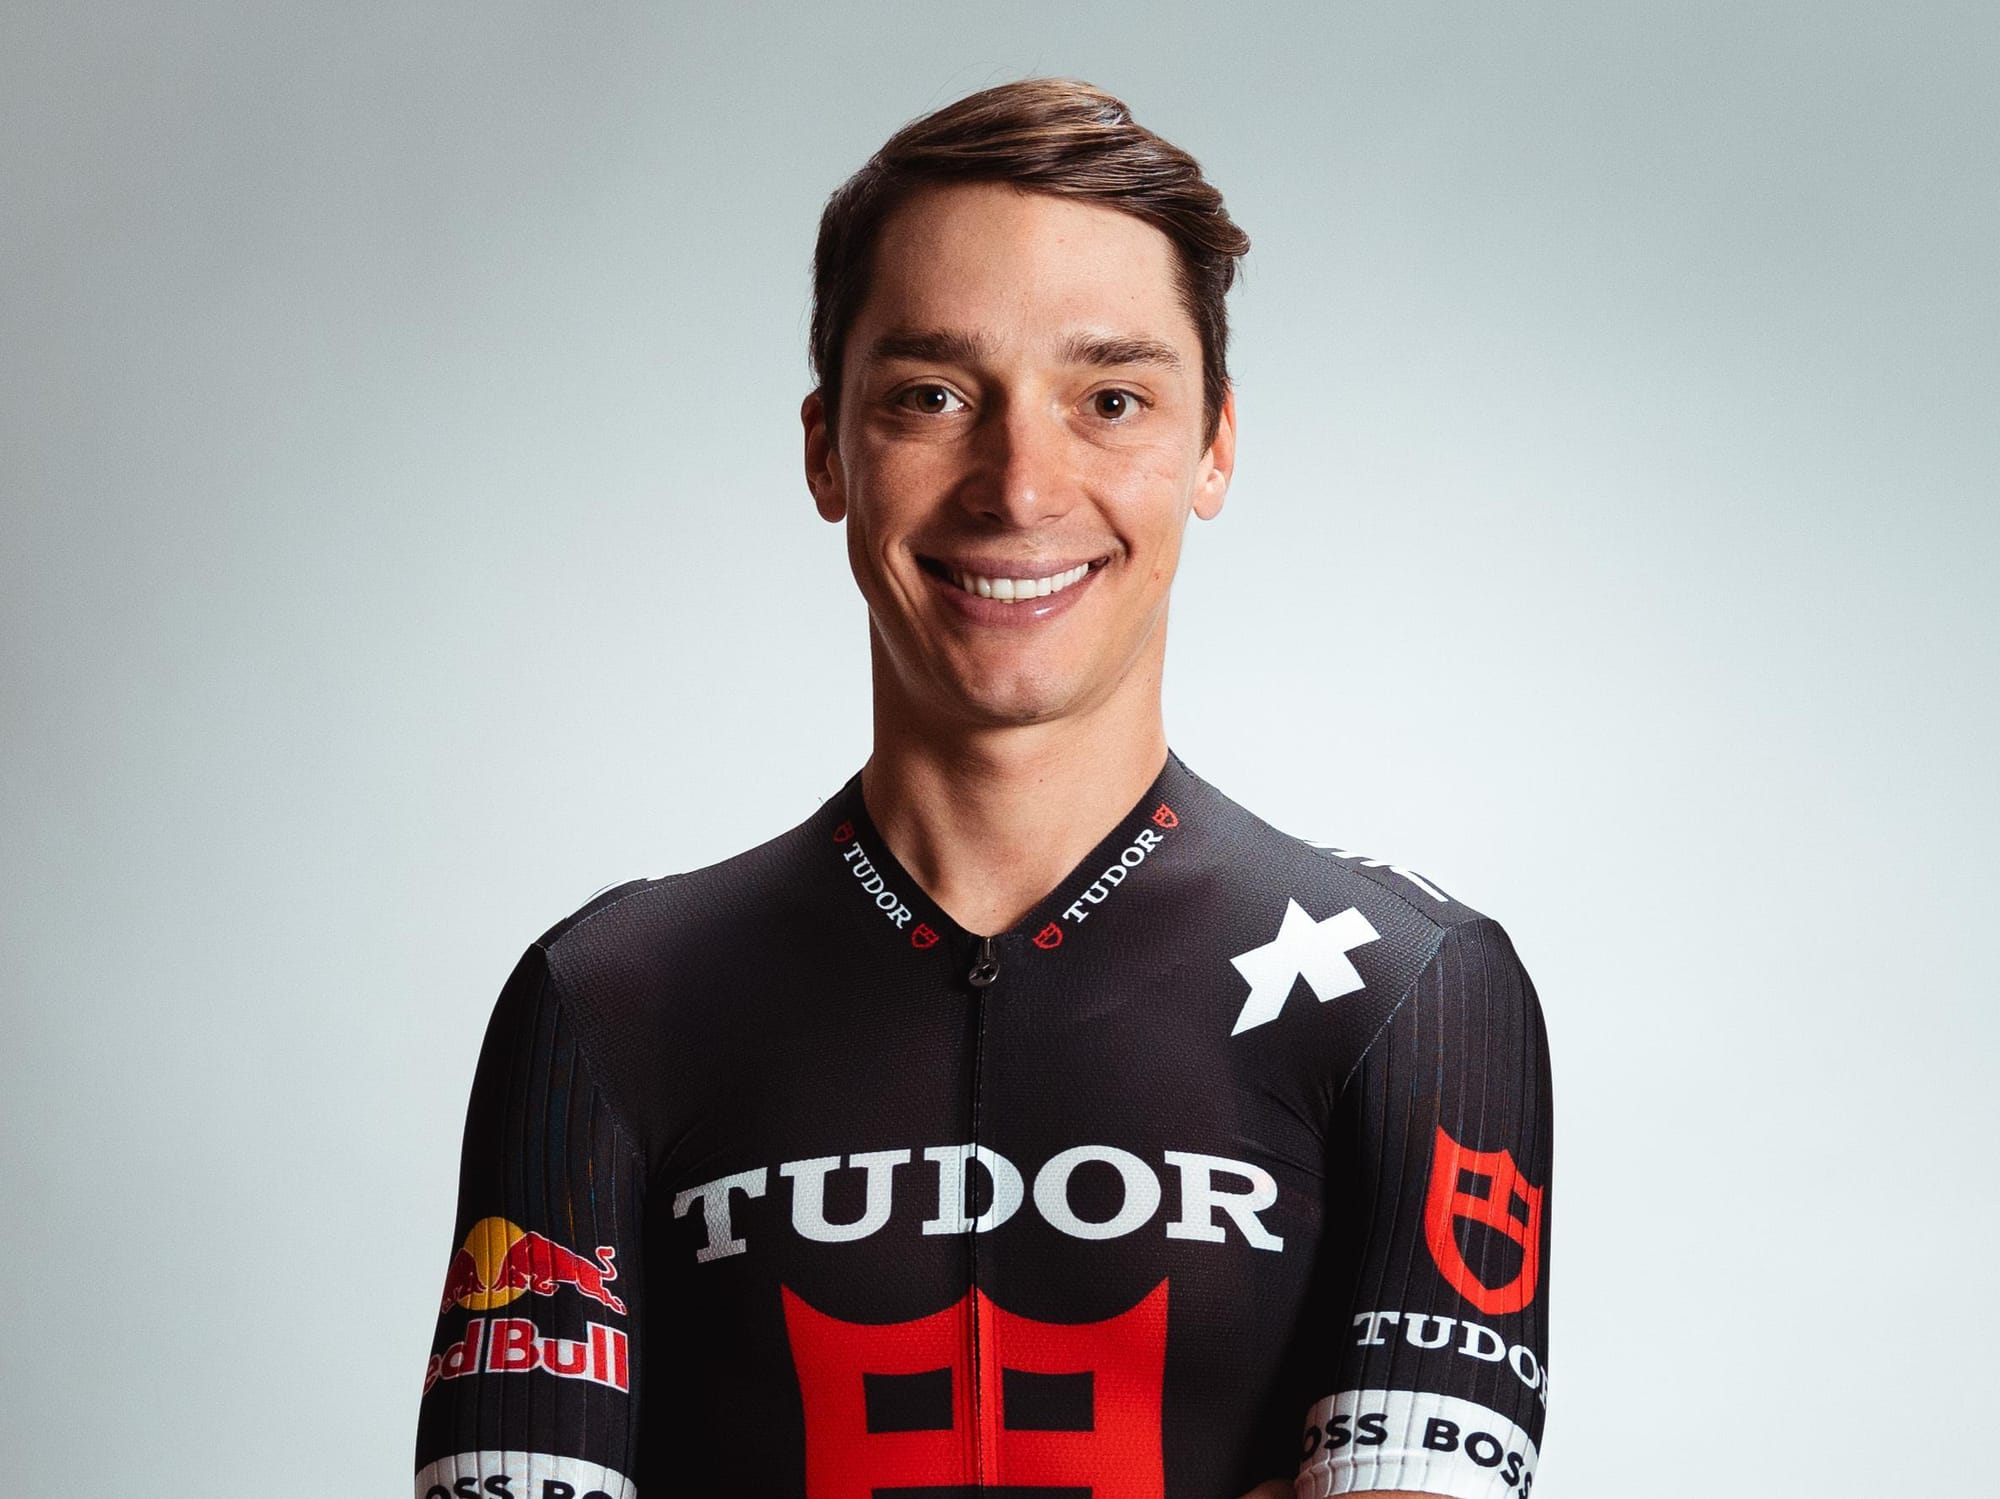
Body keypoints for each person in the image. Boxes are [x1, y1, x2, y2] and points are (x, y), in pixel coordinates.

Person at [414, 78, 1552, 1499]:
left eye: (1112, 400)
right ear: (827, 448)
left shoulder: (1414, 994)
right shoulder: (607, 1003)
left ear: (1215, 446)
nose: (1019, 487)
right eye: (932, 397)